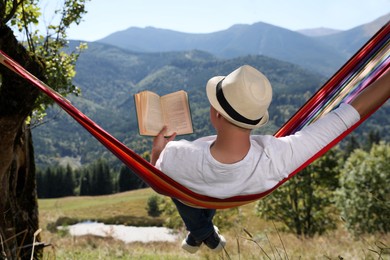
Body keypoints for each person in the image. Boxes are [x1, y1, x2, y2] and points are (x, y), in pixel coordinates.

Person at [150, 65, 390, 254]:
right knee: (201, 188)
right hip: (230, 190)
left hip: (195, 190)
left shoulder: (178, 156)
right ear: (255, 120)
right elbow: (347, 115)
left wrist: (158, 148)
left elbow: (156, 179)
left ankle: (199, 231)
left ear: (215, 114)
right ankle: (201, 233)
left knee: (184, 190)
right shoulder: (279, 158)